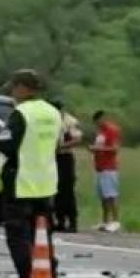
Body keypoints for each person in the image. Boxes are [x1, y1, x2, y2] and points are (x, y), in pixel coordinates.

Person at [0, 70, 62, 278]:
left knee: (18, 238)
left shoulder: (21, 113)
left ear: (24, 88)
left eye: (14, 88)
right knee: (43, 240)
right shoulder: (53, 113)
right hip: (46, 184)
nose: (12, 93)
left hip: (22, 183)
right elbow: (58, 143)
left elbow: (6, 145)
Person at [52, 100, 82, 233]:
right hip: (53, 157)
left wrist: (60, 147)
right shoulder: (51, 119)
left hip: (65, 157)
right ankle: (60, 220)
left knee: (67, 191)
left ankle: (72, 222)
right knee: (56, 190)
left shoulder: (69, 121)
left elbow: (76, 139)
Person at [91, 110, 121, 233]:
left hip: (109, 167)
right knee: (103, 196)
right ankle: (105, 221)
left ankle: (115, 221)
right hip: (99, 167)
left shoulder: (111, 130)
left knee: (110, 195)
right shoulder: (100, 132)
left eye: (99, 120)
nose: (98, 123)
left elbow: (114, 148)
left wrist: (98, 148)